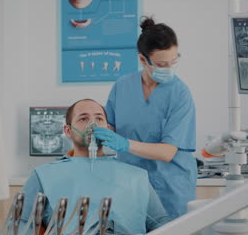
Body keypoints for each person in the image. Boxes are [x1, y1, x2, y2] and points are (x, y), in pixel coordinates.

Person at [93, 17, 197, 219]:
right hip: (130, 184)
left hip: (171, 187)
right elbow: (110, 127)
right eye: (161, 64)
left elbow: (167, 152)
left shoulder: (180, 94)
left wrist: (123, 144)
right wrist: (95, 136)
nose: (168, 69)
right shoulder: (122, 86)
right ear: (142, 60)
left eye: (173, 62)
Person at [19, 99, 170, 234]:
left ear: (108, 129)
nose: (93, 124)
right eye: (83, 118)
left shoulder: (136, 176)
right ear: (68, 131)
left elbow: (161, 223)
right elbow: (21, 222)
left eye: (99, 118)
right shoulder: (44, 175)